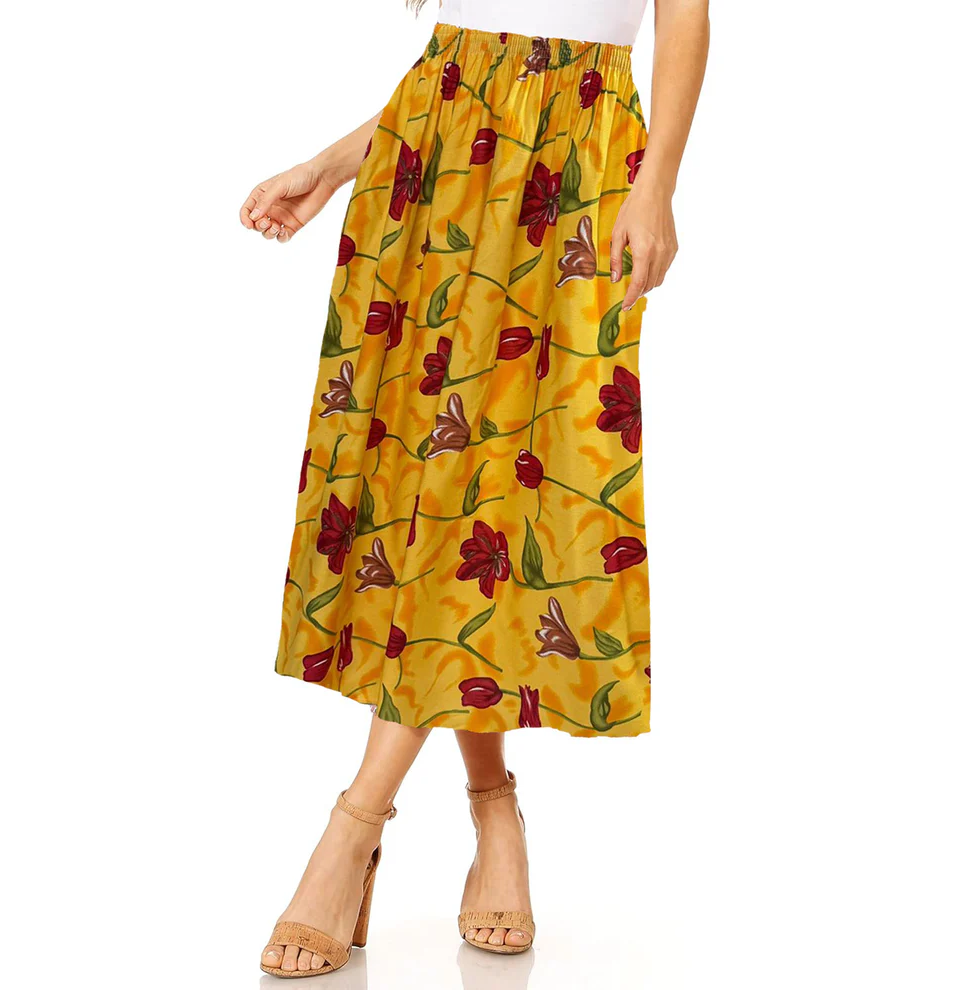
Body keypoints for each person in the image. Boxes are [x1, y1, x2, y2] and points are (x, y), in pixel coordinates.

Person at [239, 0, 709, 978]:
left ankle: (355, 825)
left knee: (504, 485)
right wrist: (332, 164)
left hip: (579, 154)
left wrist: (658, 182)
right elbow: (472, 48)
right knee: (440, 489)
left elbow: (685, 14)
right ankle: (494, 813)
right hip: (437, 151)